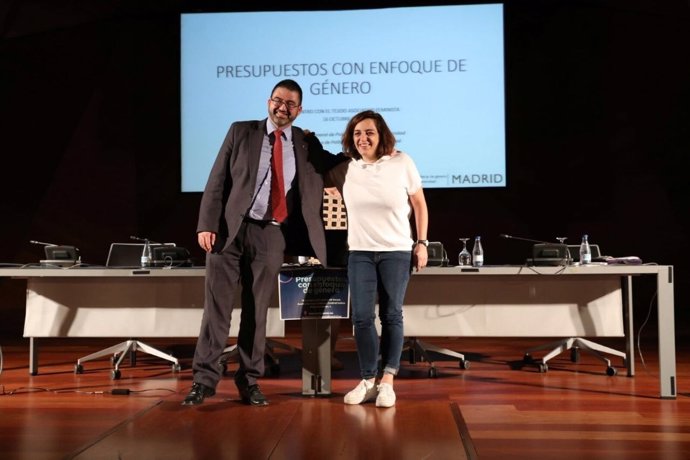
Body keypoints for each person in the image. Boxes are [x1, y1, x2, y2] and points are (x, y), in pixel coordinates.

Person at [182, 79, 344, 406]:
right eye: (277, 101)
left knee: (257, 313)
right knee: (217, 311)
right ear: (268, 102)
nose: (282, 107)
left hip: (271, 233)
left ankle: (250, 380)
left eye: (290, 104)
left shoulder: (304, 142)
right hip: (229, 231)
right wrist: (207, 224)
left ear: (299, 110)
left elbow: (332, 164)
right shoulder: (240, 131)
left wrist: (376, 149)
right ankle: (203, 381)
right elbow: (217, 180)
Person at [326, 110, 429, 408]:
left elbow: (419, 204)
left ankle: (387, 381)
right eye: (357, 133)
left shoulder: (401, 162)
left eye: (369, 132)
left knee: (391, 314)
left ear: (381, 134)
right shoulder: (349, 168)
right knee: (360, 318)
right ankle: (368, 379)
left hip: (396, 250)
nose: (363, 138)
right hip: (359, 252)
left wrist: (421, 243)